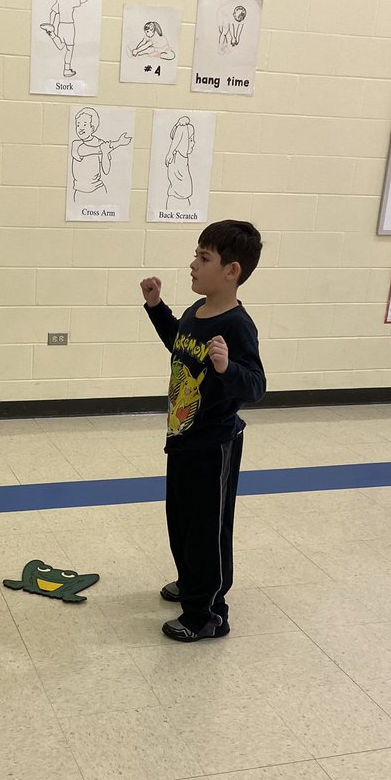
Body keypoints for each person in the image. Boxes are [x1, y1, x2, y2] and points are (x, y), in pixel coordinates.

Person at [140, 220, 265, 642]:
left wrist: (227, 367)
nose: (192, 264)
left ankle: (209, 612)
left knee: (208, 529)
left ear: (232, 270)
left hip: (214, 443)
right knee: (181, 518)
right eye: (196, 254)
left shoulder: (236, 325)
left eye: (203, 257)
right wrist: (157, 307)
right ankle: (192, 584)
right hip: (182, 437)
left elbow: (257, 385)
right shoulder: (197, 312)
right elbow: (178, 341)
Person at [40, 0, 94, 78]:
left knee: (61, 45)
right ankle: (66, 69)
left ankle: (51, 34)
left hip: (60, 26)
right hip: (69, 26)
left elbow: (53, 12)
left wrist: (51, 25)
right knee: (69, 49)